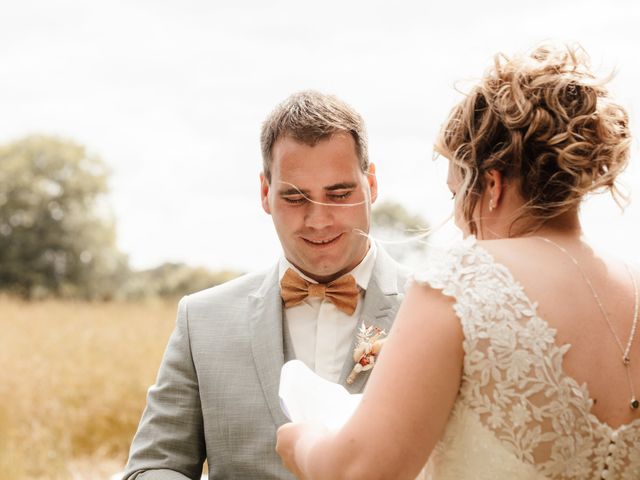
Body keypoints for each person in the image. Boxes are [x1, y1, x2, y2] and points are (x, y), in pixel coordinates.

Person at [276, 44, 640, 479]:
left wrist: (305, 440)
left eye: (455, 193)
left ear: (490, 185)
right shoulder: (632, 284)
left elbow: (359, 472)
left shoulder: (464, 280)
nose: (461, 224)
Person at [123, 91, 410, 479]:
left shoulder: (439, 310)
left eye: (339, 194)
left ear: (371, 184)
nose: (319, 220)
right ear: (264, 193)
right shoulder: (202, 320)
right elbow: (155, 465)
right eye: (295, 197)